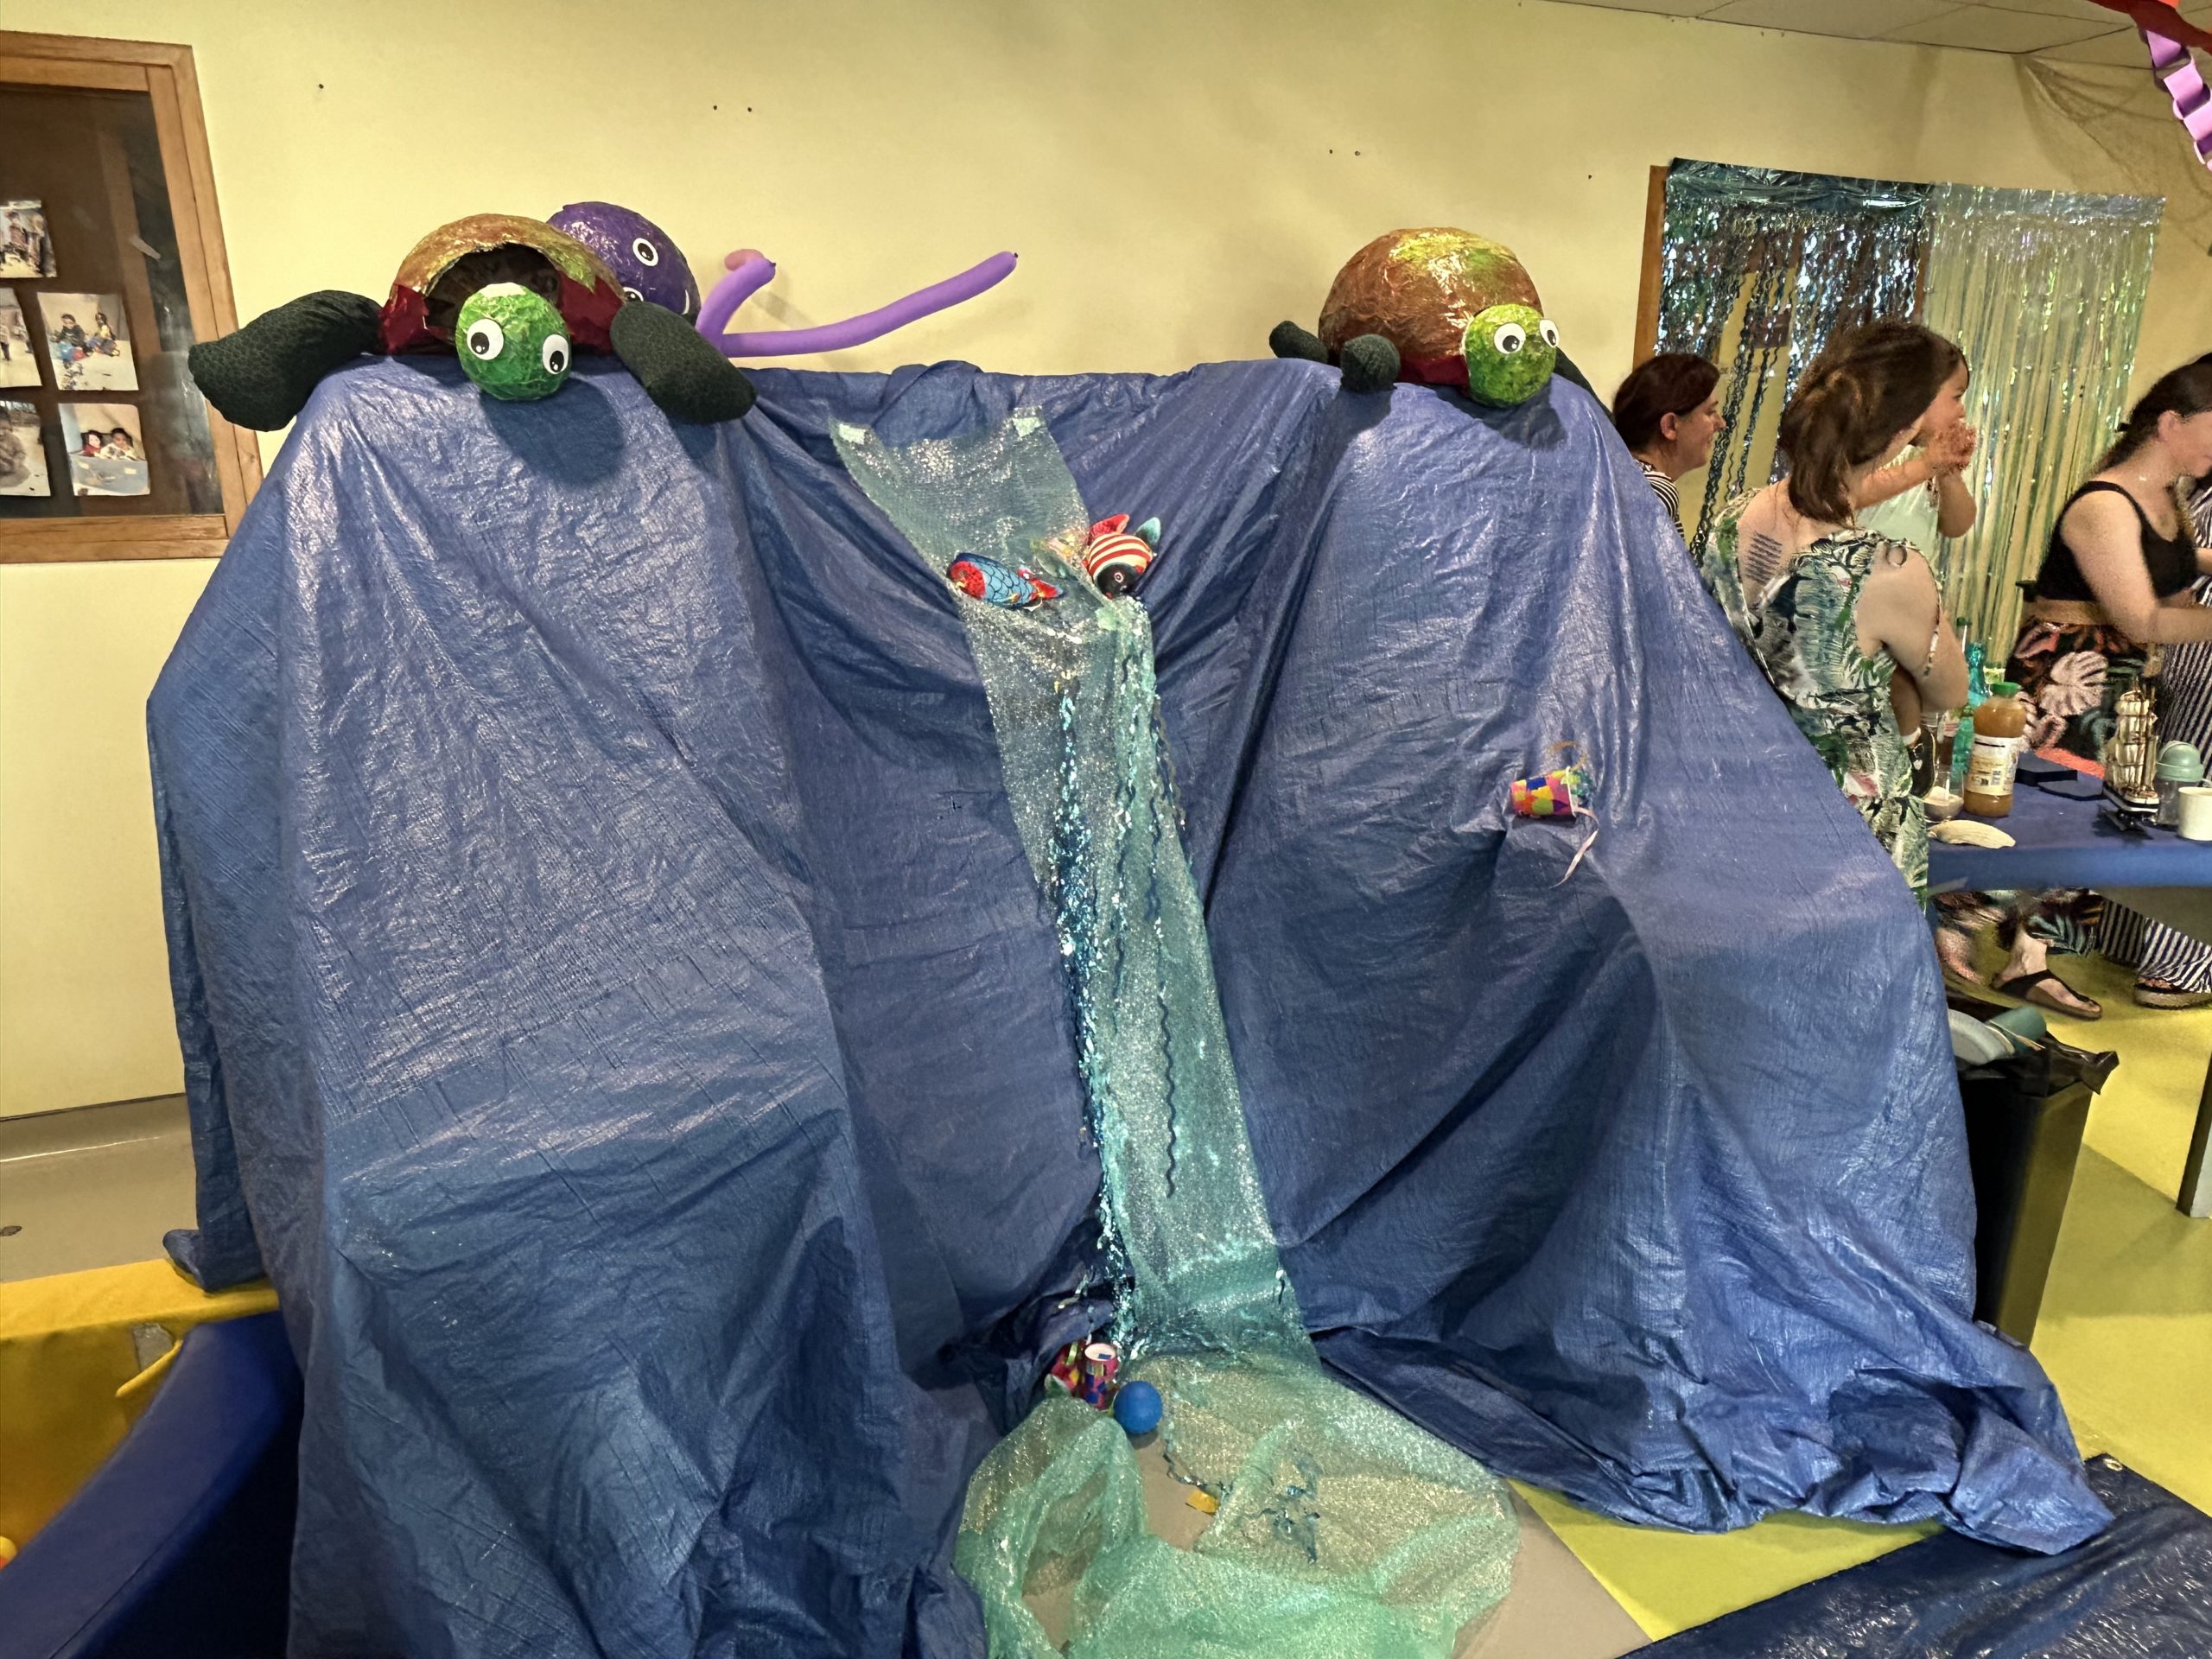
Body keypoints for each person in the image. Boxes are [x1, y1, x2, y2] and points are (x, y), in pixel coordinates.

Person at [1937, 359, 2212, 1018]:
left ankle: (2031, 961)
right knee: (2038, 818)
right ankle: (1953, 917)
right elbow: (2142, 618)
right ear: (2171, 423)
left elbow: (2177, 594)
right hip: (2067, 677)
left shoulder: (2169, 502)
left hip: (2128, 686)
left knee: (2096, 826)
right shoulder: (2104, 504)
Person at [1694, 321, 1967, 905]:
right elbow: (1951, 690)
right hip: (1848, 841)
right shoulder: (1888, 570)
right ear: (1905, 429)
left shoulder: (1732, 518)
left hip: (1740, 810)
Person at [1855, 354, 1976, 784]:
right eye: (1955, 397)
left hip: (1912, 598)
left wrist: (1948, 474)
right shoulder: (1872, 448)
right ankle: (1903, 751)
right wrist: (1925, 465)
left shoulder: (1930, 461)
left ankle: (1910, 749)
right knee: (1885, 682)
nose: (1962, 410)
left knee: (1909, 678)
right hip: (1864, 594)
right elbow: (1850, 494)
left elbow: (1957, 524)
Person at [1611, 353, 1723, 522]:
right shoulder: (1654, 493)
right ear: (1670, 426)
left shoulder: (1620, 474)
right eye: (1710, 412)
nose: (1721, 423)